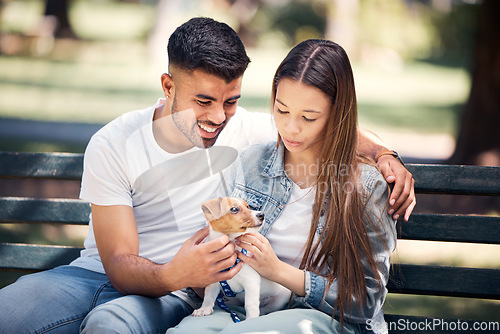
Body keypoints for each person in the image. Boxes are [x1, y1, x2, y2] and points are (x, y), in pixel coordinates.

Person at [0, 18, 414, 333]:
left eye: (230, 101)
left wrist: (384, 154)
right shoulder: (115, 142)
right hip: (116, 275)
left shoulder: (252, 133)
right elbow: (119, 265)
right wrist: (182, 273)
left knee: (112, 324)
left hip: (186, 294)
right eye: (203, 101)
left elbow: (328, 123)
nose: (218, 117)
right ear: (167, 85)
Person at [168, 39, 399, 334]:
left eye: (308, 117)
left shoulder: (365, 186)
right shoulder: (252, 162)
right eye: (282, 110)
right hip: (243, 307)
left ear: (337, 114)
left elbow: (366, 300)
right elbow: (215, 242)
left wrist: (277, 270)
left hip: (318, 317)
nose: (291, 128)